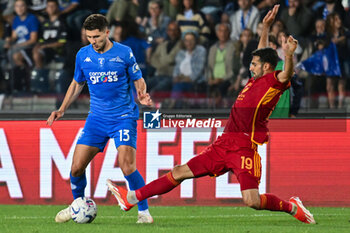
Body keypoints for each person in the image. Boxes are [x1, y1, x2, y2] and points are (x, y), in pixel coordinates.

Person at [106, 5, 316, 225]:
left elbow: (286, 74)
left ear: (265, 67)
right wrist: (265, 27)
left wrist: (289, 55)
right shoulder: (256, 79)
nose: (250, 67)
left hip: (244, 147)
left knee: (252, 201)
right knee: (179, 171)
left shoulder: (273, 83)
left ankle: (292, 207)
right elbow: (262, 51)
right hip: (223, 144)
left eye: (254, 64)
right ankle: (131, 198)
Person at [47, 14, 154, 224]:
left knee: (127, 166)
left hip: (123, 117)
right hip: (96, 119)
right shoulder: (83, 55)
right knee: (76, 167)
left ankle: (144, 211)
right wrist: (62, 109)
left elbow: (138, 79)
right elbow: (77, 84)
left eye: (96, 36)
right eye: (89, 37)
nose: (93, 41)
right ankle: (78, 205)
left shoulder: (124, 52)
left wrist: (142, 93)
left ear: (107, 32)